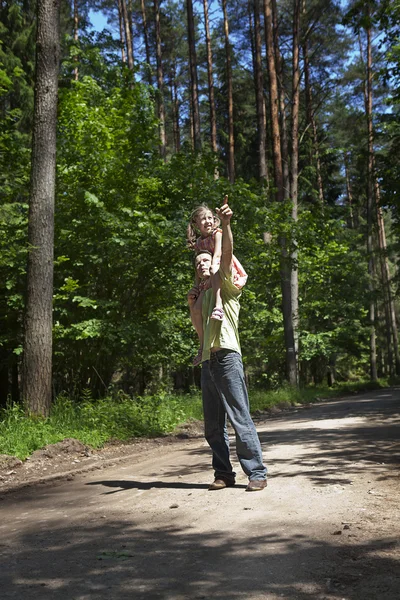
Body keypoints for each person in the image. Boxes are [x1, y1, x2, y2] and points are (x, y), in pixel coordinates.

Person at [187, 200, 267, 492]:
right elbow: (199, 329)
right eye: (198, 263)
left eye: (205, 261)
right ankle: (223, 473)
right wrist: (193, 305)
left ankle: (256, 473)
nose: (201, 264)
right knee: (212, 427)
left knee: (240, 419)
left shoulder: (226, 285)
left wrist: (227, 226)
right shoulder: (200, 296)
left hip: (228, 358)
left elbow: (227, 254)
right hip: (208, 361)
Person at [187, 200, 247, 366]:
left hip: (220, 266)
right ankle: (201, 346)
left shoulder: (217, 234)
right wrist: (197, 286)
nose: (207, 221)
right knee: (196, 309)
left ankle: (219, 305)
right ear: (196, 223)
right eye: (203, 219)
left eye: (210, 218)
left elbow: (220, 252)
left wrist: (214, 265)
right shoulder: (199, 243)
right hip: (210, 272)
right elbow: (199, 264)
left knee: (214, 269)